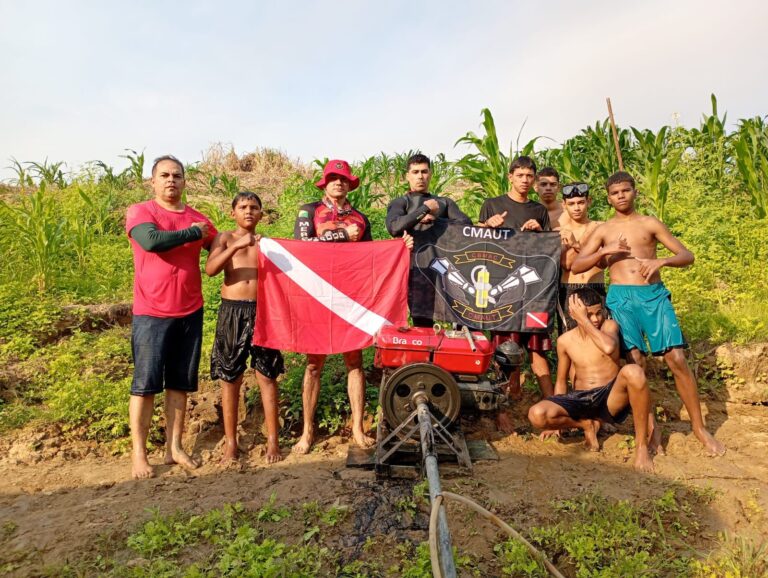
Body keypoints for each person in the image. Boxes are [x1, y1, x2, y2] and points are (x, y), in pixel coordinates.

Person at [572, 171, 725, 456]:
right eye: (615, 192)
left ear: (635, 192)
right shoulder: (604, 229)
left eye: (625, 191)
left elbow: (686, 255)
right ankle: (651, 429)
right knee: (635, 361)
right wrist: (606, 252)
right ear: (608, 198)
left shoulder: (649, 223)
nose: (620, 196)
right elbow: (579, 264)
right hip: (621, 298)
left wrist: (661, 261)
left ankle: (699, 428)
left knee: (676, 357)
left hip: (653, 295)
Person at [292, 159, 413, 454]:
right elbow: (303, 247)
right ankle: (307, 432)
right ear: (325, 183)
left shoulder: (360, 217)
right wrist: (341, 235)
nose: (338, 183)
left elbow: (370, 257)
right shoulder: (309, 211)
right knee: (313, 365)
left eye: (343, 179)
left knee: (354, 363)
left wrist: (399, 248)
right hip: (317, 294)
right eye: (333, 178)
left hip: (350, 299)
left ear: (349, 185)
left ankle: (358, 429)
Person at [126, 155, 217, 479]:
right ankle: (139, 454)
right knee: (145, 385)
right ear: (153, 181)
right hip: (151, 313)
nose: (171, 180)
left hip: (190, 310)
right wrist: (193, 234)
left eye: (177, 175)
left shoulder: (197, 218)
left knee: (180, 384)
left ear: (184, 181)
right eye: (164, 175)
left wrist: (247, 244)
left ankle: (174, 447)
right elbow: (152, 242)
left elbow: (217, 245)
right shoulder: (142, 212)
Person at [527, 289, 658, 473]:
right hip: (580, 399)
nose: (595, 319)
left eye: (598, 313)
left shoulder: (609, 327)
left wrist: (584, 320)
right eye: (589, 314)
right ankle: (586, 424)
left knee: (634, 371)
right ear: (574, 313)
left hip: (609, 398)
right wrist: (556, 421)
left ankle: (641, 447)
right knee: (537, 414)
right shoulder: (565, 340)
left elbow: (608, 346)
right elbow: (561, 380)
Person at [206, 192, 284, 465]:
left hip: (264, 312)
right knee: (230, 377)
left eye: (254, 208)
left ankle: (273, 439)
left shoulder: (269, 244)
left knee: (267, 375)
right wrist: (238, 245)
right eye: (242, 207)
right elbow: (211, 269)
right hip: (233, 311)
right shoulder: (225, 238)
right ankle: (230, 442)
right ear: (233, 213)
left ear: (261, 214)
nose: (248, 211)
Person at [479, 156, 553, 432]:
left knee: (539, 351)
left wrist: (540, 231)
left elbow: (548, 251)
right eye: (519, 175)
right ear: (510, 176)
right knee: (502, 352)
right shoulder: (492, 205)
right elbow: (474, 245)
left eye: (528, 176)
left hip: (534, 291)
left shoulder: (539, 210)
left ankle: (553, 411)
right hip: (502, 291)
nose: (524, 180)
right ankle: (501, 412)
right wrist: (488, 226)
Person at [385, 153, 471, 326]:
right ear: (407, 176)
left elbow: (465, 225)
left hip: (445, 269)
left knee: (459, 320)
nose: (420, 177)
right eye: (415, 172)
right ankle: (424, 354)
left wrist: (437, 220)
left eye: (424, 172)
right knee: (422, 322)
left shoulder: (443, 202)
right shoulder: (401, 203)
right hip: (417, 269)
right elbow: (394, 227)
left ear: (430, 174)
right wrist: (422, 211)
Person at [557, 182, 605, 332]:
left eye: (581, 202)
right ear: (564, 205)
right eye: (571, 204)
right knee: (570, 336)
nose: (576, 208)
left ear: (589, 201)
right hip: (569, 288)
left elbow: (602, 263)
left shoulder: (601, 227)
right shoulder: (558, 232)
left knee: (601, 335)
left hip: (596, 286)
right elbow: (566, 265)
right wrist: (587, 247)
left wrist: (575, 244)